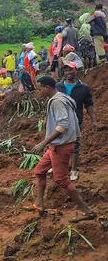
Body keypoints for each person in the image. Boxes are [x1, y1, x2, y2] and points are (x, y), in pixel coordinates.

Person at [32, 76, 96, 222]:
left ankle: (88, 211)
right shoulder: (63, 98)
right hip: (57, 145)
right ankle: (39, 204)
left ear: (47, 88)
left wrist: (43, 143)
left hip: (61, 146)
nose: (38, 91)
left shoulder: (58, 102)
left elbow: (63, 125)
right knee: (39, 171)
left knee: (61, 180)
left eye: (40, 88)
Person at [55, 62, 98, 181]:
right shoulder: (58, 86)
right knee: (59, 143)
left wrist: (94, 120)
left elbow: (89, 105)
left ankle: (74, 169)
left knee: (74, 145)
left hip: (76, 120)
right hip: (60, 120)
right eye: (66, 70)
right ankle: (59, 166)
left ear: (76, 70)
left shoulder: (84, 88)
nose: (68, 72)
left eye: (71, 70)